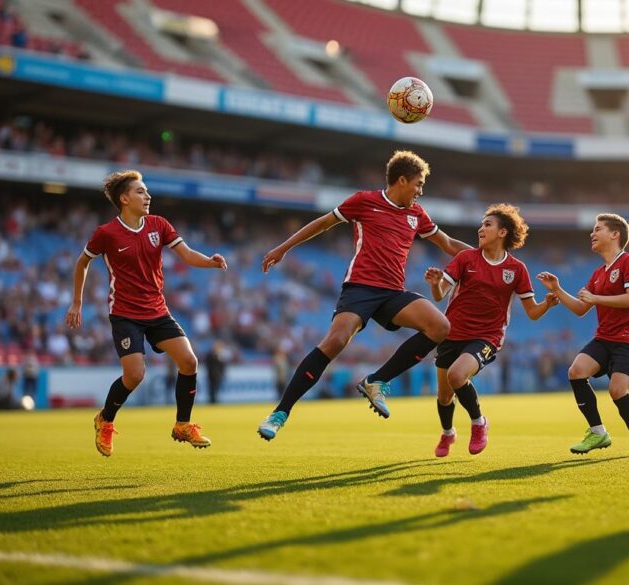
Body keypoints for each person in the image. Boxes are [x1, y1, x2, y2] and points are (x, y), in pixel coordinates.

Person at [257, 150, 470, 440]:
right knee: (335, 341)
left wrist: (484, 256)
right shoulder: (364, 201)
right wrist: (283, 248)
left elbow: (446, 243)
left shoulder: (416, 214)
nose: (421, 191)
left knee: (440, 326)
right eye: (418, 184)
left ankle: (377, 381)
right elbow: (322, 223)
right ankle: (279, 413)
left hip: (393, 293)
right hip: (360, 287)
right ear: (402, 180)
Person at [66, 170, 228, 457]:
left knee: (189, 361)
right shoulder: (106, 234)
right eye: (141, 191)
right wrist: (76, 303)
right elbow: (82, 264)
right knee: (135, 374)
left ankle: (182, 424)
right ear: (124, 198)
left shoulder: (159, 225)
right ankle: (105, 419)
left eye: (147, 191)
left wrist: (210, 262)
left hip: (157, 310)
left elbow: (187, 254)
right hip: (125, 313)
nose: (148, 196)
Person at [424, 204, 558, 457]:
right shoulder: (465, 258)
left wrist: (547, 305)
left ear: (503, 232)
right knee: (444, 396)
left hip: (487, 336)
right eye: (481, 224)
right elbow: (440, 295)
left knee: (457, 375)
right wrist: (434, 285)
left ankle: (478, 423)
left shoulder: (517, 269)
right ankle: (448, 433)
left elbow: (532, 312)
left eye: (487, 224)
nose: (480, 228)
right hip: (452, 333)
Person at [537, 213, 629, 457]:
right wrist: (557, 289)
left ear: (615, 234)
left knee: (617, 391)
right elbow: (580, 308)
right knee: (576, 371)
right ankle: (598, 432)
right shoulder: (598, 273)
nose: (592, 233)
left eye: (598, 229)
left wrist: (596, 298)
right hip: (604, 337)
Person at [206, 339, 230, 404]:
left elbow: (223, 367)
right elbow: (209, 365)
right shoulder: (211, 355)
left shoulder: (221, 356)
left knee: (216, 389)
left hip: (218, 376)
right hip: (212, 375)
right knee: (212, 390)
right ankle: (212, 401)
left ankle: (214, 401)